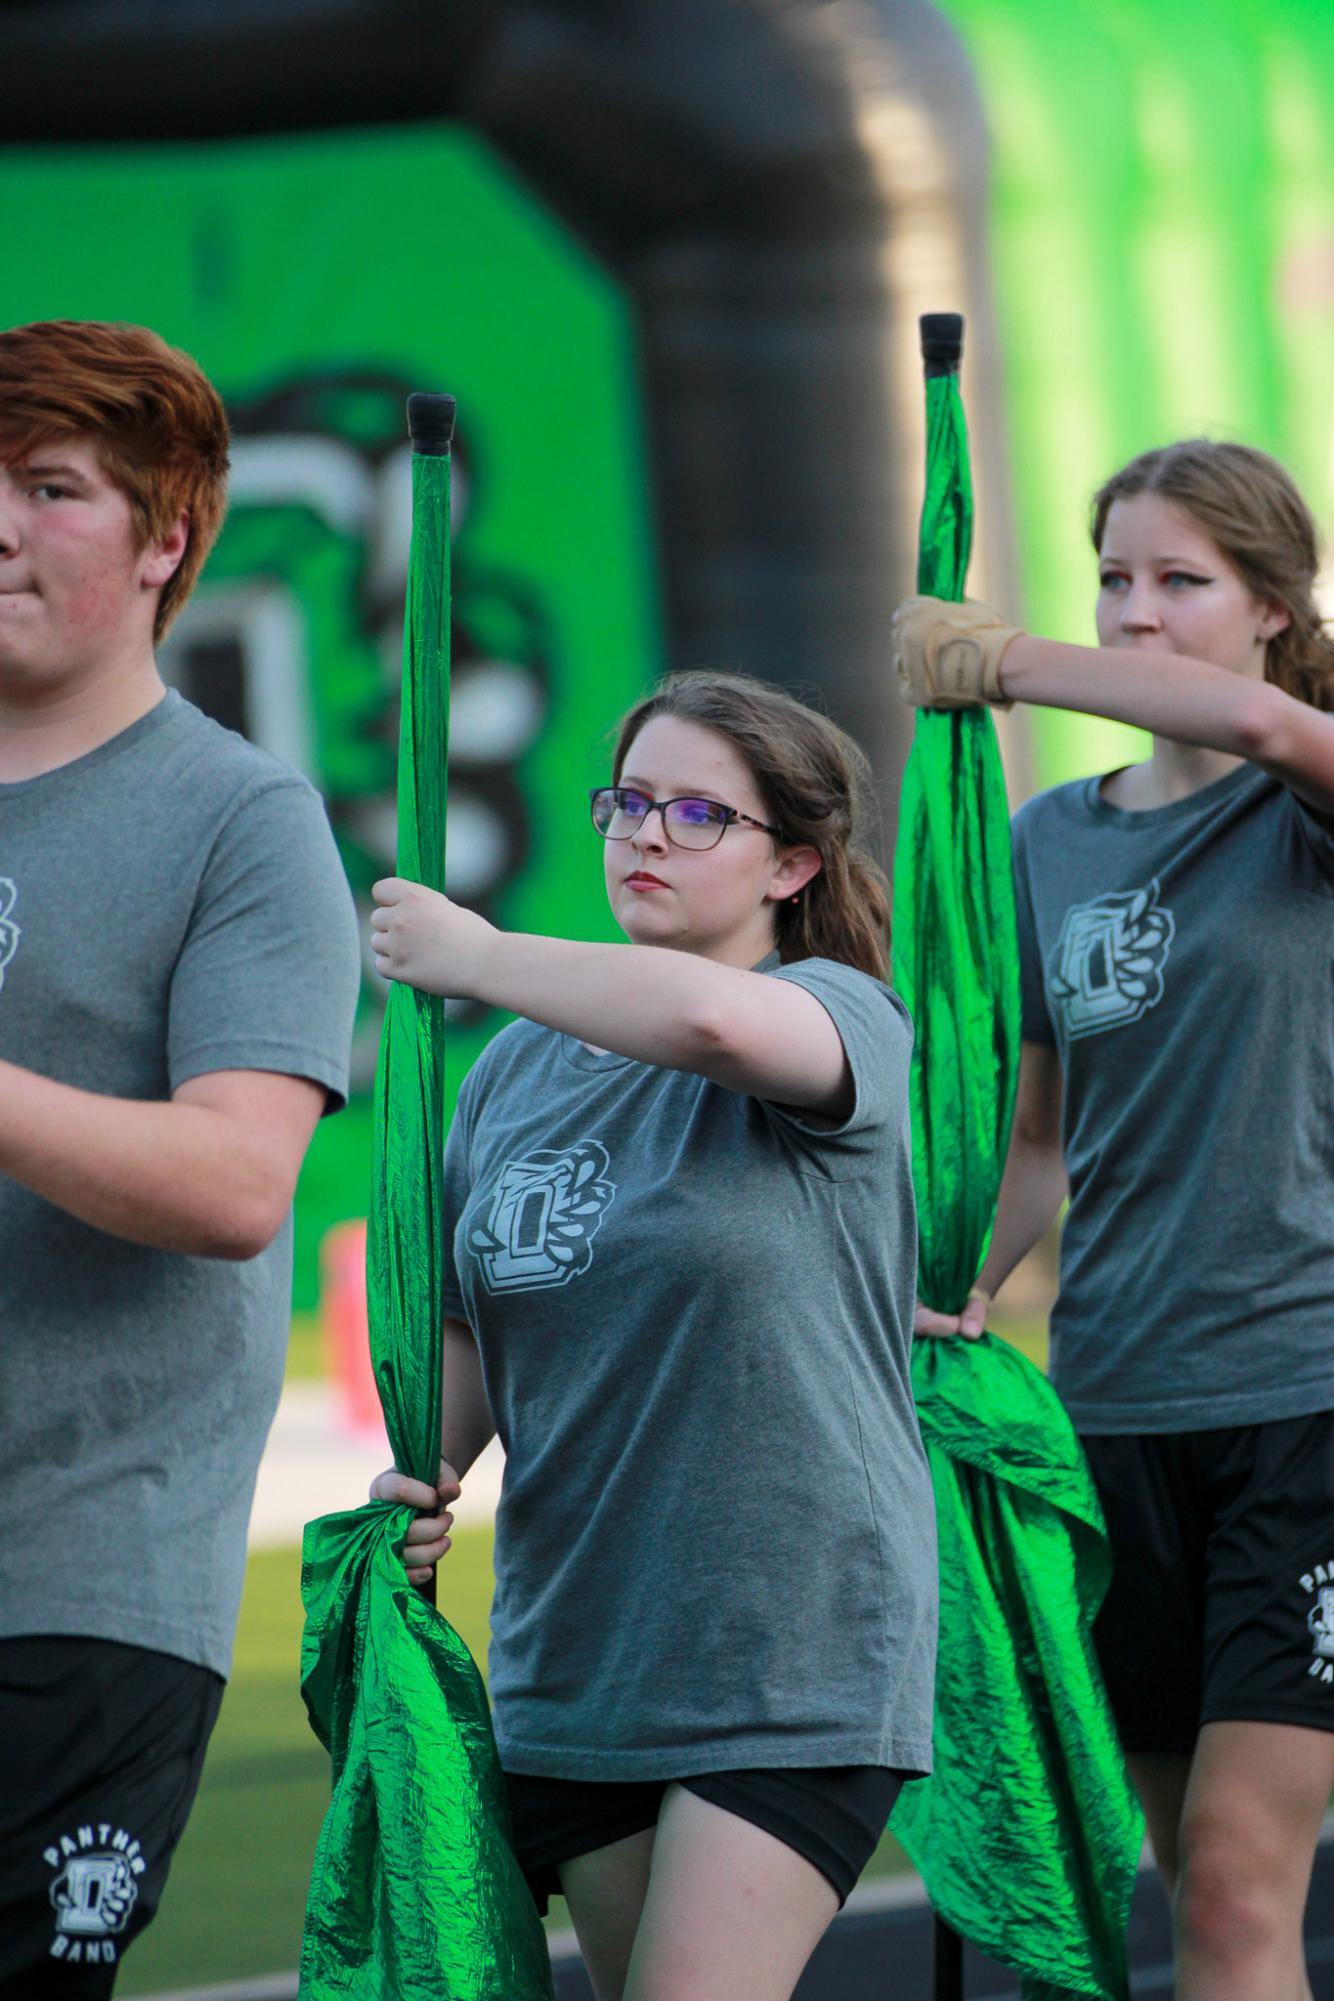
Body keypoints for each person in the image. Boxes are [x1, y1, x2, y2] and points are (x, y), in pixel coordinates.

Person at [369, 670, 935, 2001]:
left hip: (787, 1640)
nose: (642, 835)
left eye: (694, 813)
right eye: (625, 802)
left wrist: (468, 950)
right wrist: (417, 1474)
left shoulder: (839, 1018)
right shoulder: (512, 1070)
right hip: (577, 1655)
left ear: (790, 861)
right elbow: (475, 1325)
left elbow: (703, 1019)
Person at [894, 436, 1334, 2001]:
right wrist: (950, 1284)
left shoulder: (1303, 796)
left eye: (1176, 581)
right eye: (1109, 579)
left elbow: (1265, 725)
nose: (1131, 615)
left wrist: (1009, 660)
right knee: (1180, 1881)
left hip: (1307, 1404)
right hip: (1113, 1408)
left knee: (1229, 1881)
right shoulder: (1047, 843)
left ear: (1273, 606)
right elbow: (1036, 1136)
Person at [0, 320, 361, 1994]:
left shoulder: (241, 819)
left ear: (167, 541)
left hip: (75, 1583)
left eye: (49, 488)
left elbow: (233, 1185)